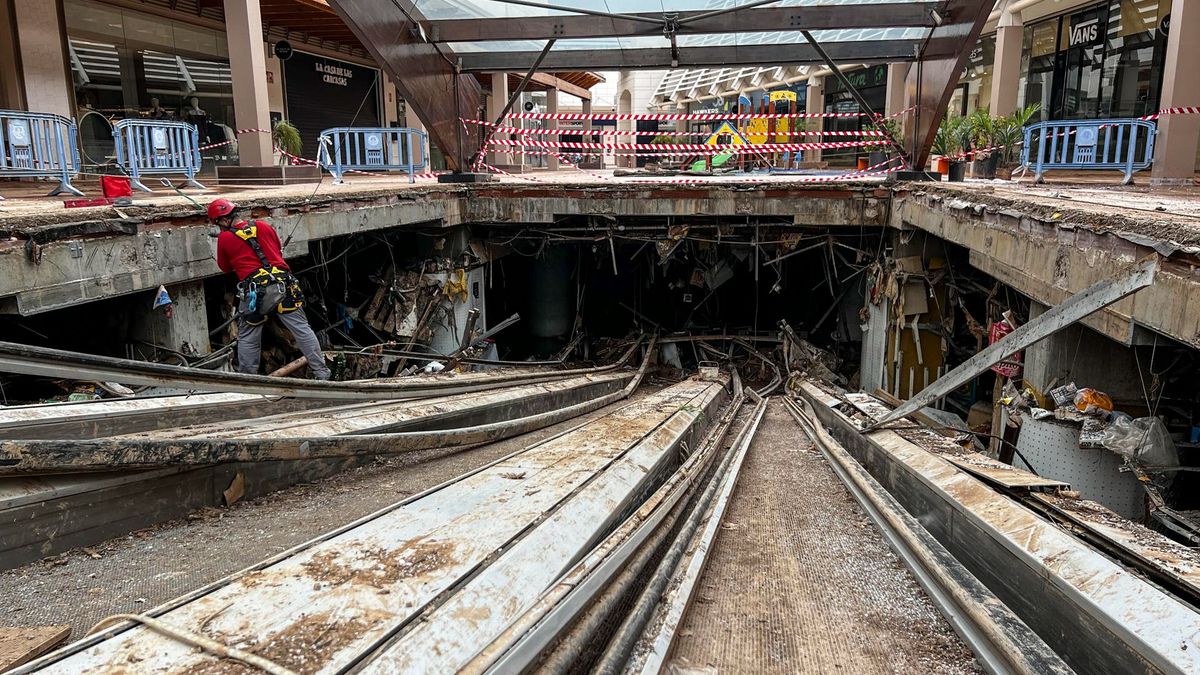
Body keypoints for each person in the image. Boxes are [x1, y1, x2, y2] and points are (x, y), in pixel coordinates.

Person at [208, 199, 331, 380]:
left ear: (223, 221)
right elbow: (276, 249)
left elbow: (225, 268)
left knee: (249, 336)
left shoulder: (225, 238)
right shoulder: (263, 227)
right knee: (302, 330)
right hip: (284, 286)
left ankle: (247, 381)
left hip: (255, 293)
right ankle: (322, 374)